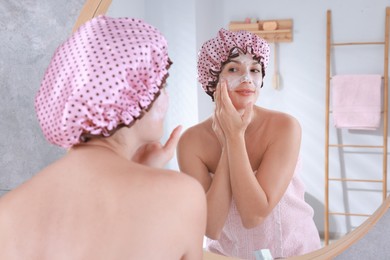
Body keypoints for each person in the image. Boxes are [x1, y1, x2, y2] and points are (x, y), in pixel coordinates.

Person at [0, 16, 206, 260]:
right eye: (163, 84)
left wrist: (139, 170)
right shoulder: (180, 196)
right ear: (140, 96)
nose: (166, 97)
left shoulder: (8, 211)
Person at [177, 28, 321, 259]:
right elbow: (212, 227)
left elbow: (253, 215)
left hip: (296, 251)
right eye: (234, 69)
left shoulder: (285, 127)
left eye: (255, 70)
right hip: (229, 255)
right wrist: (228, 142)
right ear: (213, 78)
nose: (247, 79)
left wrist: (234, 137)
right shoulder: (191, 142)